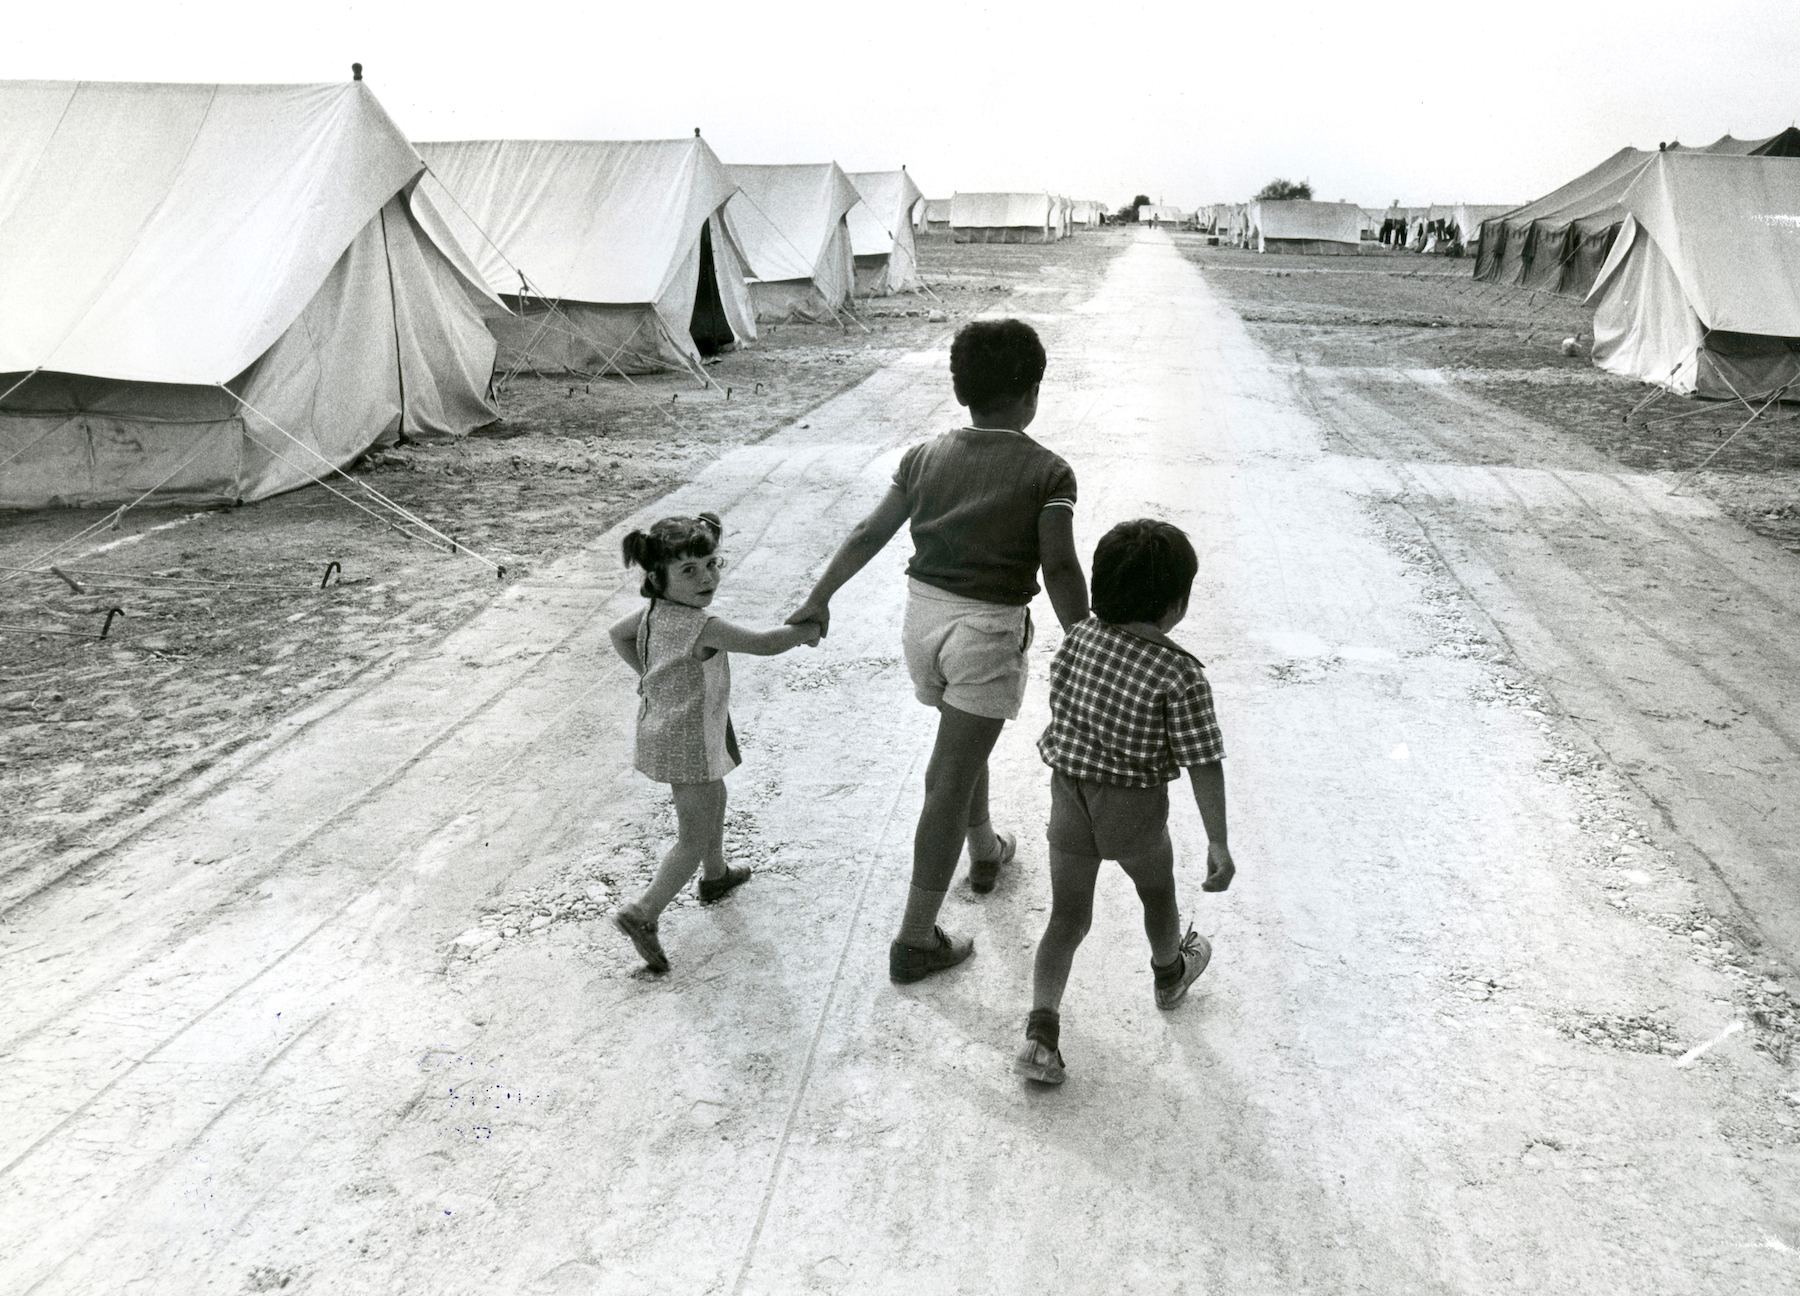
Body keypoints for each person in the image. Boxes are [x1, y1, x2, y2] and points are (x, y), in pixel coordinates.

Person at [785, 319, 1089, 984]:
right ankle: (915, 939)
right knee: (947, 780)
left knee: (960, 744)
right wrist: (1086, 637)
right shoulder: (1047, 471)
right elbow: (1060, 569)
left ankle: (984, 851)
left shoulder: (923, 456)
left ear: (961, 391)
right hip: (985, 631)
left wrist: (819, 597)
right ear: (1032, 393)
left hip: (922, 623)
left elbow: (870, 532)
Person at [1015, 519, 1236, 1085]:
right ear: (1176, 603)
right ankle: (1169, 972)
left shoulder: (1079, 638)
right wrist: (1217, 839)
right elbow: (1202, 759)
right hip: (1132, 805)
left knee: (1066, 919)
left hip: (1068, 794)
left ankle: (1042, 1032)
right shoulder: (1178, 673)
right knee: (1155, 891)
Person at [608, 512, 821, 972]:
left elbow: (617, 634)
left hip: (664, 731)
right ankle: (643, 912)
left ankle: (716, 874)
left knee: (711, 800)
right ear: (656, 578)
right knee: (693, 833)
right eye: (688, 570)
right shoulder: (700, 625)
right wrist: (806, 630)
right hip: (690, 742)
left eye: (711, 564)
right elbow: (764, 643)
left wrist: (647, 673)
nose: (707, 577)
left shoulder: (653, 614)